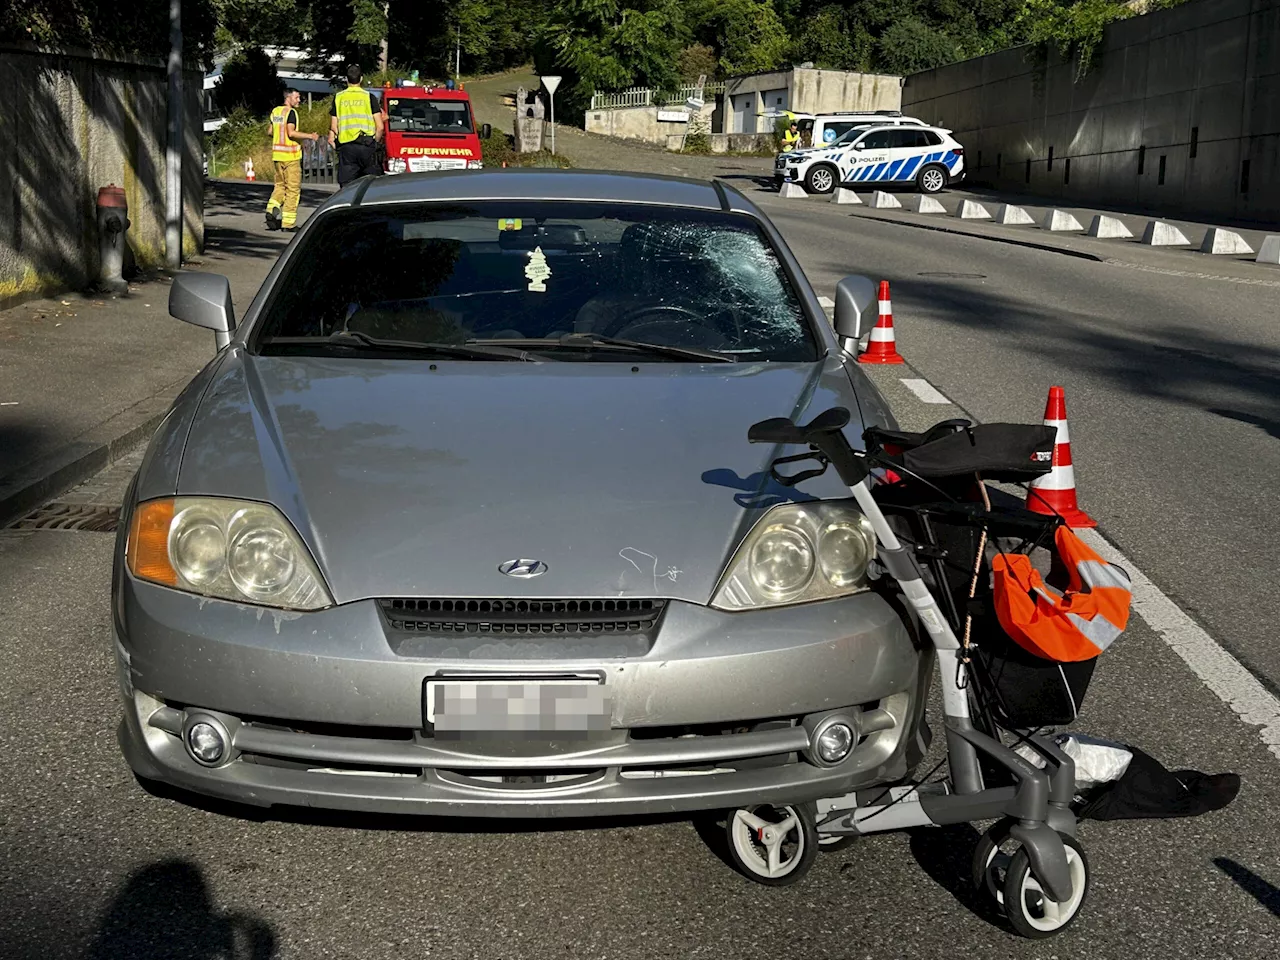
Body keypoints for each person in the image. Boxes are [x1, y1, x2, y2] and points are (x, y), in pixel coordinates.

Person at [265, 88, 320, 232]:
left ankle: (271, 209)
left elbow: (270, 132)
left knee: (279, 186)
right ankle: (288, 224)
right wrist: (310, 136)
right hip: (290, 157)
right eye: (297, 97)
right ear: (288, 98)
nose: (299, 100)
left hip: (277, 156)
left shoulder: (276, 112)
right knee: (292, 190)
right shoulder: (291, 113)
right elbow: (291, 132)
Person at [329, 64, 384, 187]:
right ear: (361, 78)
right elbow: (380, 126)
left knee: (347, 186)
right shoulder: (369, 97)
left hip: (347, 148)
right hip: (367, 145)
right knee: (371, 184)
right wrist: (375, 143)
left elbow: (333, 126)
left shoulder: (339, 98)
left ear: (346, 79)